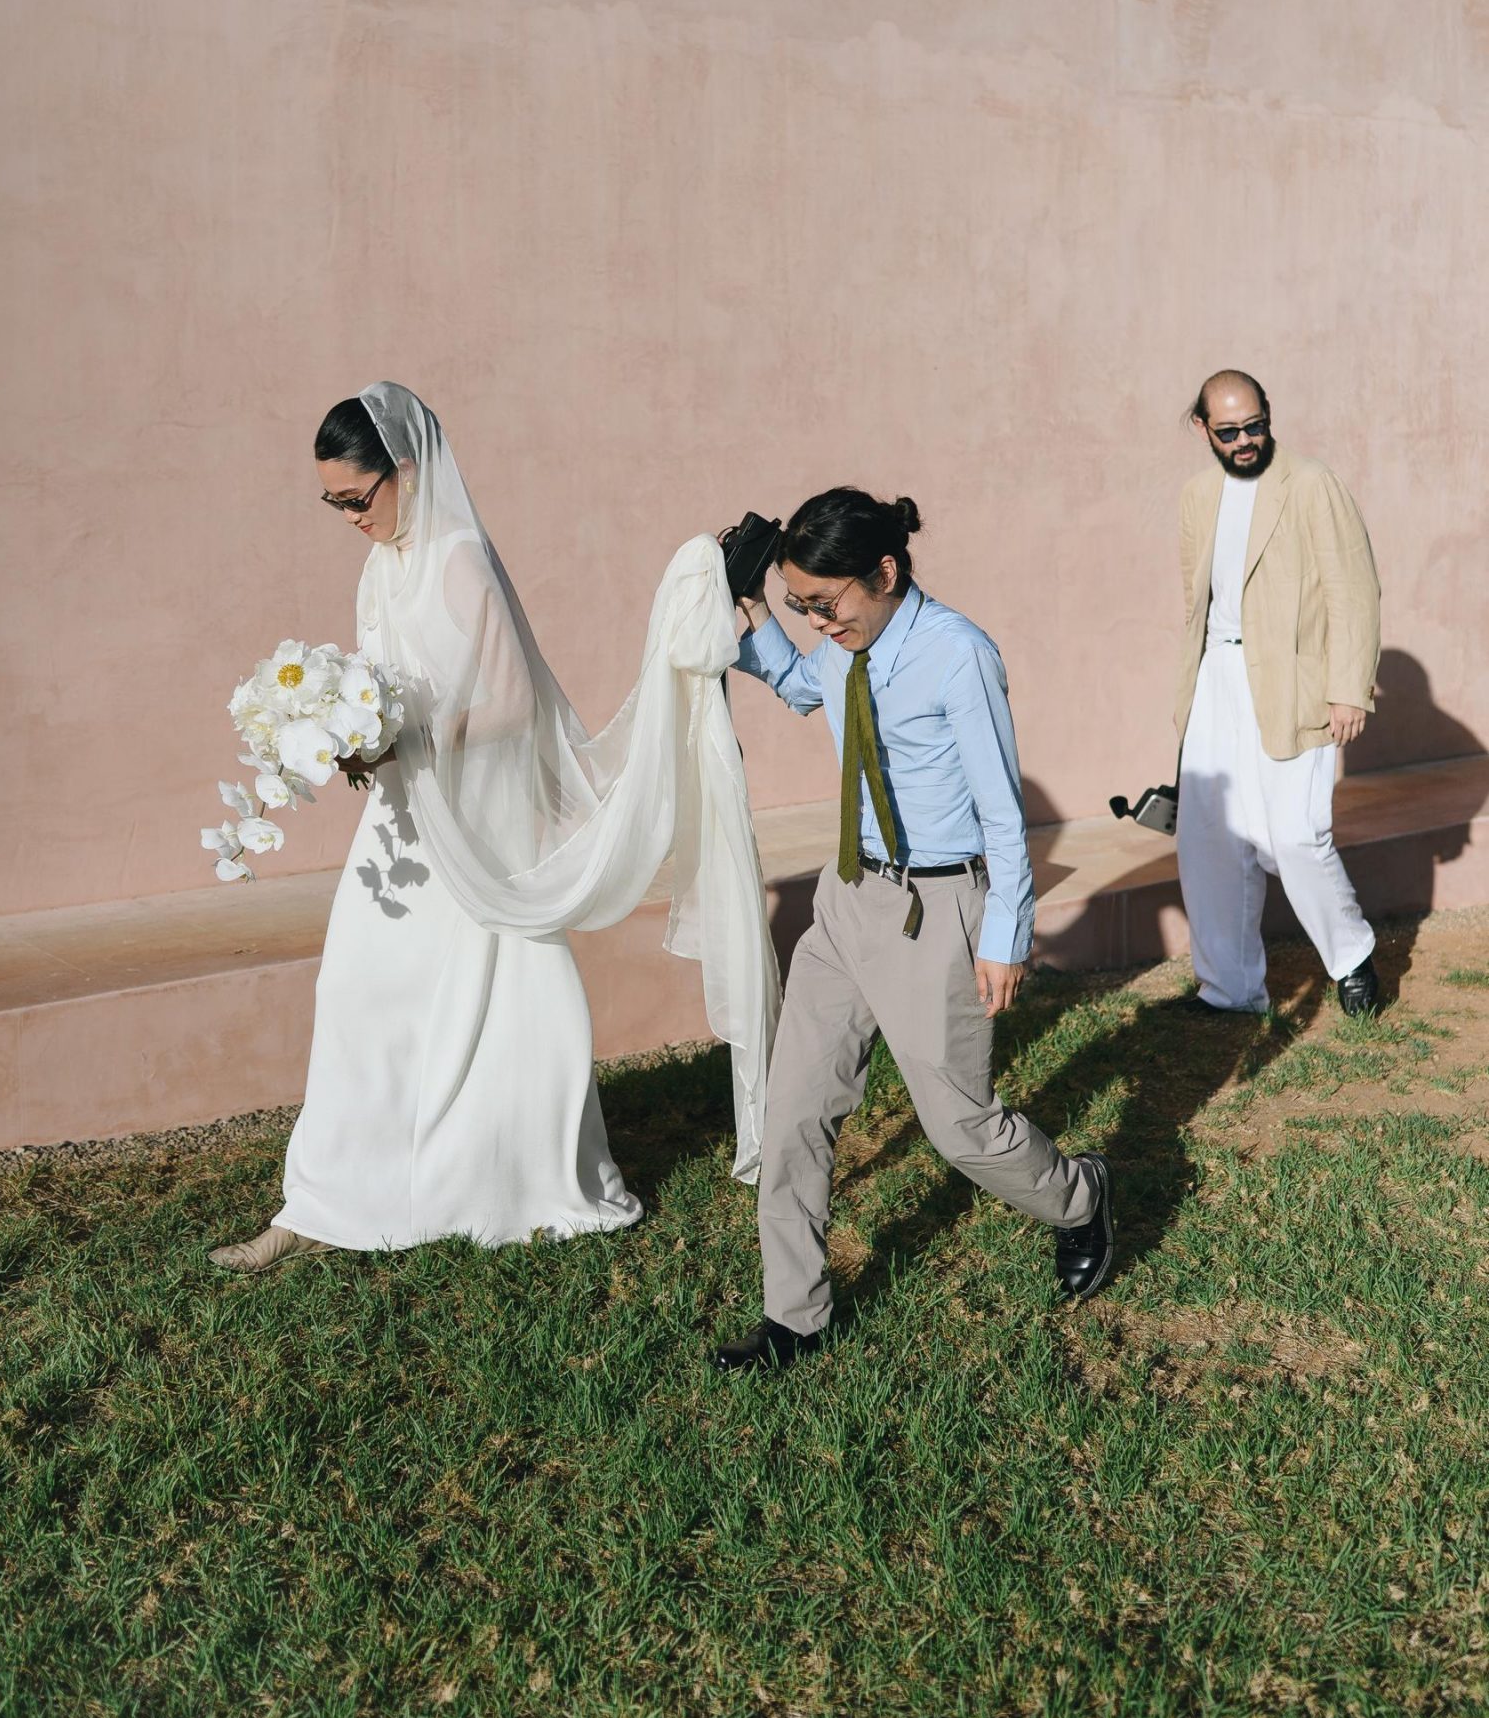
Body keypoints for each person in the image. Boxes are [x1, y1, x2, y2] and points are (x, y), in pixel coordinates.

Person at [211, 382, 776, 1270]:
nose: (349, 519)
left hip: (470, 826)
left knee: (496, 999)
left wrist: (401, 739)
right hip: (402, 825)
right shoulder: (383, 561)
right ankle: (319, 1204)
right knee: (354, 996)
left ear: (404, 471)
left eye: (356, 499)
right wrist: (342, 731)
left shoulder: (456, 559)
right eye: (333, 504)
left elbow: (511, 701)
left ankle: (502, 1182)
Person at [712, 488, 1113, 1373]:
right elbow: (798, 685)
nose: (816, 622)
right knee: (793, 1114)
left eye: (827, 603)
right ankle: (795, 1316)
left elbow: (1004, 814)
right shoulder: (841, 650)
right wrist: (746, 624)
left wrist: (1004, 933)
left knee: (959, 1127)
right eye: (800, 605)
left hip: (936, 910)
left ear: (884, 572)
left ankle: (1079, 1195)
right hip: (847, 896)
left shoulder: (955, 656)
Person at [1175, 371, 1381, 1017]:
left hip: (1295, 681)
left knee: (1294, 834)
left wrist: (1347, 689)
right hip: (1215, 678)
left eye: (1254, 425)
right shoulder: (1196, 495)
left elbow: (1354, 589)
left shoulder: (1310, 483)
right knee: (1208, 837)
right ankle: (1229, 988)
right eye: (1228, 431)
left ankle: (1349, 957)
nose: (1244, 441)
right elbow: (1196, 603)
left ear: (1268, 415)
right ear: (1202, 429)